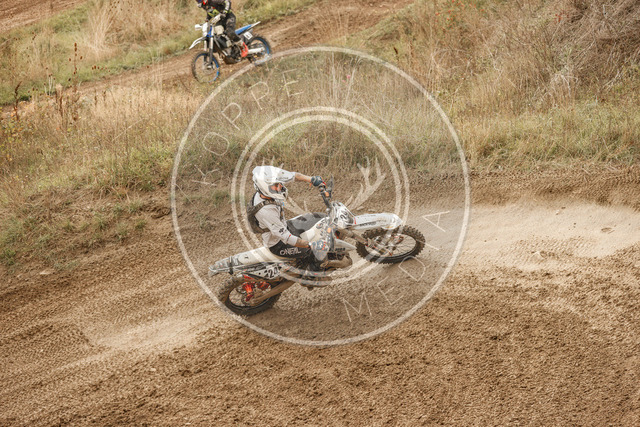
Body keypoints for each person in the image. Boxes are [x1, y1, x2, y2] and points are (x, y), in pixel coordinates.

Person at [249, 166, 324, 261]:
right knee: (315, 254)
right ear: (264, 188)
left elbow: (293, 176)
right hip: (278, 244)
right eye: (276, 185)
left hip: (285, 226)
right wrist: (311, 245)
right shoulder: (266, 212)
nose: (280, 186)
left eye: (279, 183)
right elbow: (287, 238)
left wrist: (311, 179)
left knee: (318, 217)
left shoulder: (268, 188)